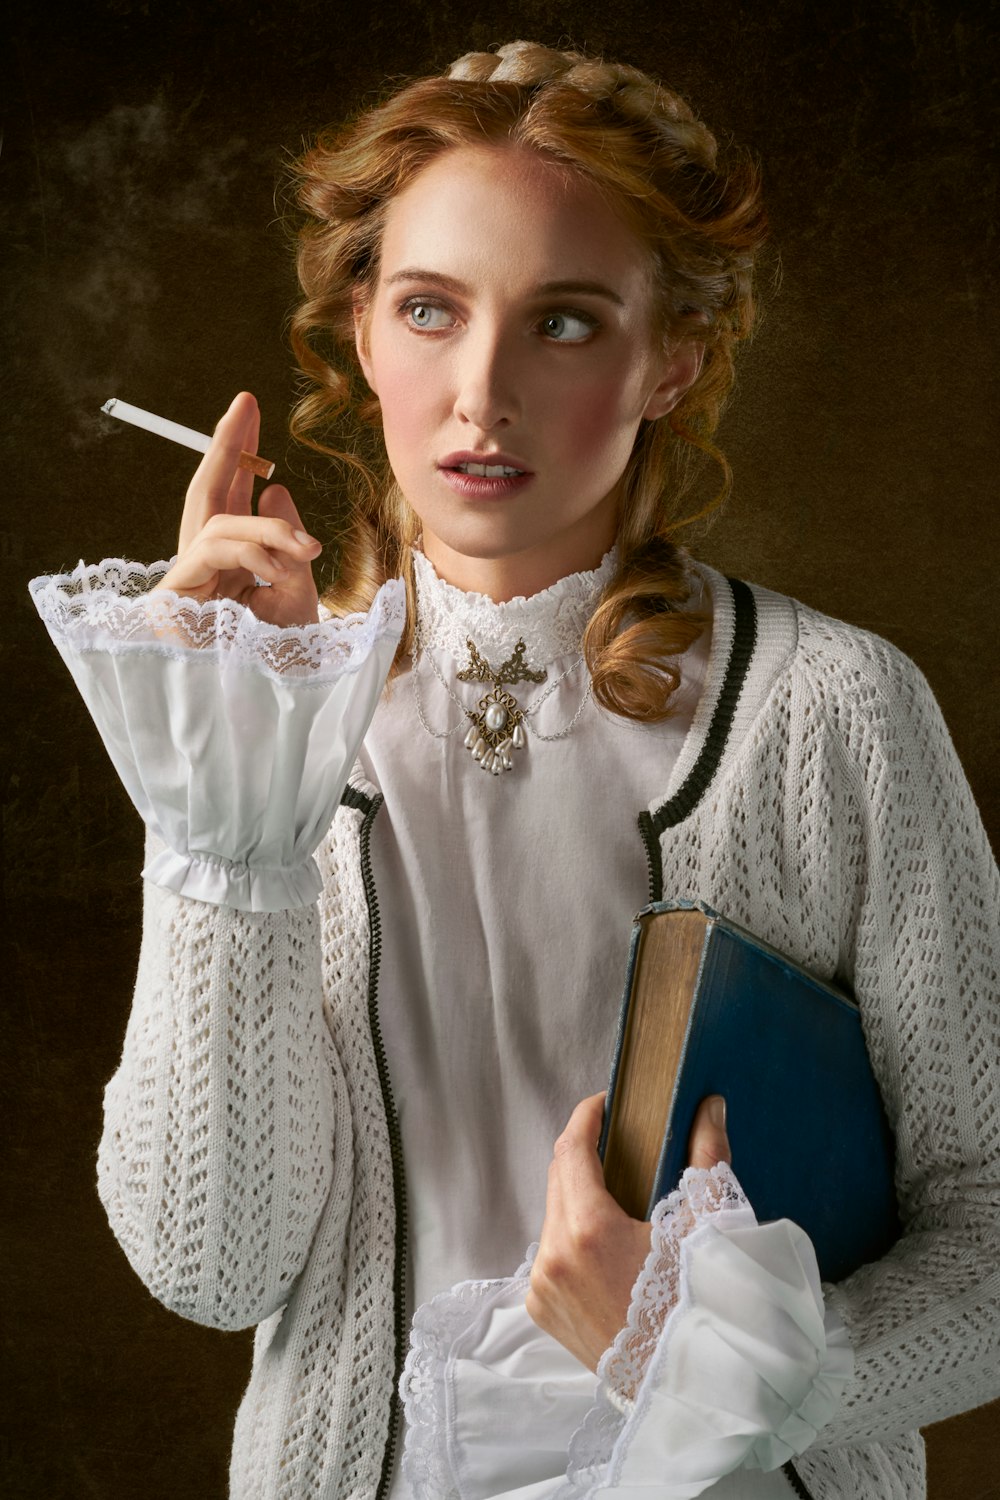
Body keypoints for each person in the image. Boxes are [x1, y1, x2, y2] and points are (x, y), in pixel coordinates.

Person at [29, 38, 998, 1500]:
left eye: (562, 321)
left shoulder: (836, 710)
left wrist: (741, 1372)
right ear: (362, 331)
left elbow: (989, 1223)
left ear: (672, 352)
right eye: (430, 309)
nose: (480, 393)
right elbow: (212, 1268)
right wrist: (231, 799)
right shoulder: (256, 706)